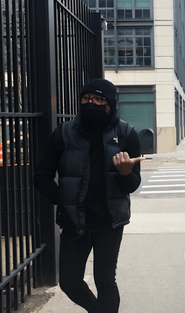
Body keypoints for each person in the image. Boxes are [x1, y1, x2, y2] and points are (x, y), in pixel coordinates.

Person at [34, 78, 145, 313]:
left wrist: (126, 173)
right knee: (69, 282)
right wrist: (62, 199)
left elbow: (132, 184)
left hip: (109, 221)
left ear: (111, 103)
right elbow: (42, 175)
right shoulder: (64, 133)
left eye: (98, 99)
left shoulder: (126, 134)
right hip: (74, 222)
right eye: (86, 98)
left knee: (105, 280)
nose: (90, 103)